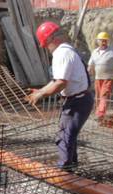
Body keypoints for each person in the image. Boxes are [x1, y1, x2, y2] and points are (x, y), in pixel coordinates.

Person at [28, 22, 94, 170]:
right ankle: (71, 165)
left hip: (78, 102)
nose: (46, 48)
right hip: (79, 99)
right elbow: (56, 81)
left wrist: (41, 95)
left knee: (65, 136)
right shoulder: (66, 51)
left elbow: (60, 84)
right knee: (69, 135)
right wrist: (39, 91)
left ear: (52, 39)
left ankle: (64, 170)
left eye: (46, 44)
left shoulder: (61, 53)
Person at [88, 32, 113, 121]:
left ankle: (100, 115)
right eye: (102, 41)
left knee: (104, 95)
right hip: (98, 78)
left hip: (109, 78)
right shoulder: (95, 52)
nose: (103, 42)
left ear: (107, 41)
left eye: (105, 41)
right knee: (98, 96)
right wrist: (88, 72)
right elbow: (90, 64)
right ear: (97, 41)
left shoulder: (112, 51)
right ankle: (99, 113)